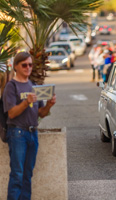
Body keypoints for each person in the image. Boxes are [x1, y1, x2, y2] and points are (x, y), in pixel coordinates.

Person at [3, 52, 56, 200]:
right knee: (17, 175)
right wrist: (26, 102)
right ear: (16, 67)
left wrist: (49, 106)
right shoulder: (11, 86)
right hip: (17, 133)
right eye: (24, 65)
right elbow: (11, 114)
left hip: (33, 133)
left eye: (30, 64)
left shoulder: (33, 85)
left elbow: (41, 113)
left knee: (28, 175)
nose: (28, 68)